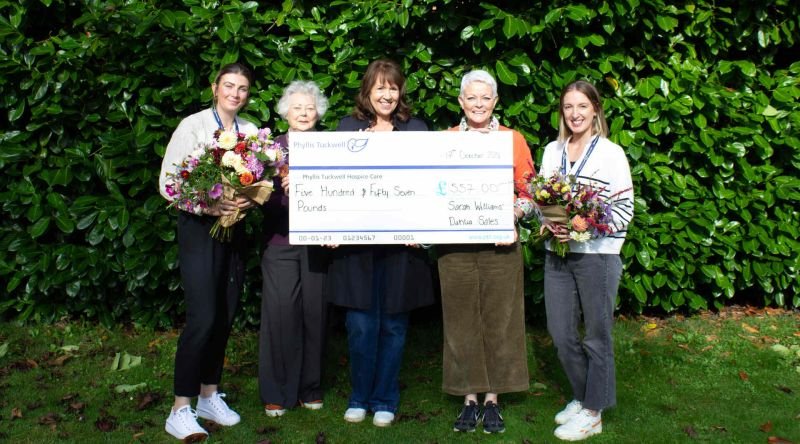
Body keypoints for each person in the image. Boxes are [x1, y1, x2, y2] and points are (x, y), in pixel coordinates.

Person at [329, 59, 435, 427]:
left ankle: (386, 398)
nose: (387, 95)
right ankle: (359, 397)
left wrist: (425, 230)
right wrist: (328, 228)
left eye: (393, 88)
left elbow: (431, 189)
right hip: (357, 250)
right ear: (368, 92)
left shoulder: (417, 130)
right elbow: (331, 187)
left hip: (402, 250)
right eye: (380, 88)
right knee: (359, 325)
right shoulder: (347, 130)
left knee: (393, 325)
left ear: (400, 91)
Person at [158, 62, 258, 442]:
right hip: (200, 229)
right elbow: (169, 182)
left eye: (243, 88)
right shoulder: (193, 126)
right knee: (203, 317)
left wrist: (247, 201)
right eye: (229, 85)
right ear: (215, 87)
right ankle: (179, 408)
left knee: (226, 314)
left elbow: (256, 180)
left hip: (234, 232)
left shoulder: (250, 132)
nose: (235, 93)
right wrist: (208, 206)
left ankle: (208, 395)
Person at [437, 69, 535, 434]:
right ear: (461, 102)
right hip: (455, 245)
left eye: (485, 98)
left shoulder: (513, 140)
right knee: (460, 320)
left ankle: (493, 398)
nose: (478, 104)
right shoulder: (444, 141)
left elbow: (530, 194)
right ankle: (468, 398)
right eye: (471, 97)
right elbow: (434, 190)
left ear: (495, 102)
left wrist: (511, 214)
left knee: (501, 318)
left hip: (500, 243)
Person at [539, 80, 634, 441]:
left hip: (598, 256)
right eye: (568, 107)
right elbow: (540, 202)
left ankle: (594, 411)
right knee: (561, 334)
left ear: (595, 109)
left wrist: (585, 228)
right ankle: (582, 396)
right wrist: (549, 223)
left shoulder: (611, 153)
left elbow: (624, 209)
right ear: (562, 112)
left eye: (582, 106)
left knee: (597, 336)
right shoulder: (552, 151)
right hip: (558, 254)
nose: (575, 114)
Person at [259, 80, 330, 417]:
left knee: (314, 314)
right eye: (297, 107)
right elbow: (258, 200)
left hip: (317, 243)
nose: (303, 113)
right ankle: (276, 390)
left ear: (319, 113)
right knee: (281, 312)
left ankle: (309, 387)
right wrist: (283, 190)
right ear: (285, 111)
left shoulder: (331, 149)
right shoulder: (269, 149)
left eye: (310, 107)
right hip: (281, 241)